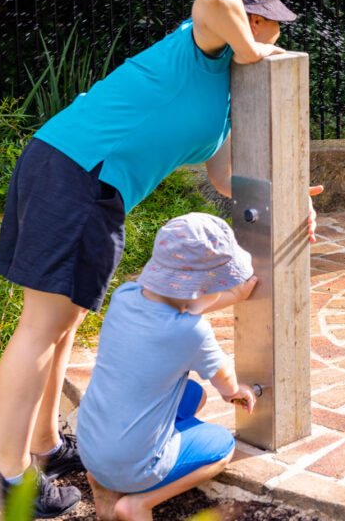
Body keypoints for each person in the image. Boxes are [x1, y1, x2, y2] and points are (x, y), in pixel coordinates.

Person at [0, 0, 318, 517]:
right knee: (41, 327)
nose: (275, 36)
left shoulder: (219, 93)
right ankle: (9, 472)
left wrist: (293, 199)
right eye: (271, 25)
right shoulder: (205, 45)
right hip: (76, 172)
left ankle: (45, 445)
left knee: (63, 323)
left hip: (89, 182)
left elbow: (225, 175)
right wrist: (248, 50)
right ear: (253, 19)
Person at [76, 213, 257, 521]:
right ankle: (139, 503)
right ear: (202, 285)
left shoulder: (124, 296)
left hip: (91, 447)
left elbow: (180, 304)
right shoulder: (191, 332)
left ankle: (104, 486)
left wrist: (232, 296)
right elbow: (226, 382)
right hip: (136, 465)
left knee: (192, 394)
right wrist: (235, 392)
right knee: (223, 446)